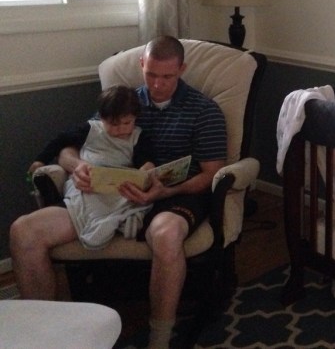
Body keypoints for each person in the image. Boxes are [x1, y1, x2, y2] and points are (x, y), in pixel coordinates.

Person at [10, 36, 227, 349]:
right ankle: (46, 332)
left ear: (182, 69)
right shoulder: (125, 101)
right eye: (150, 74)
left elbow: (210, 174)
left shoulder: (204, 111)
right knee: (24, 231)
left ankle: (159, 338)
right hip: (110, 194)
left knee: (166, 235)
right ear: (141, 65)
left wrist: (162, 192)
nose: (157, 84)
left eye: (167, 77)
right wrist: (78, 166)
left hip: (176, 193)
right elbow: (77, 141)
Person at [31, 84, 156, 249]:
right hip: (87, 184)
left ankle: (120, 218)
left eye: (127, 123)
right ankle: (100, 223)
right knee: (86, 199)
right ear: (102, 118)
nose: (120, 129)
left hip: (117, 189)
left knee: (129, 200)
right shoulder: (90, 129)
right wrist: (40, 160)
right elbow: (60, 140)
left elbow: (146, 160)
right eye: (113, 124)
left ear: (135, 117)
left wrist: (145, 171)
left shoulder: (138, 136)